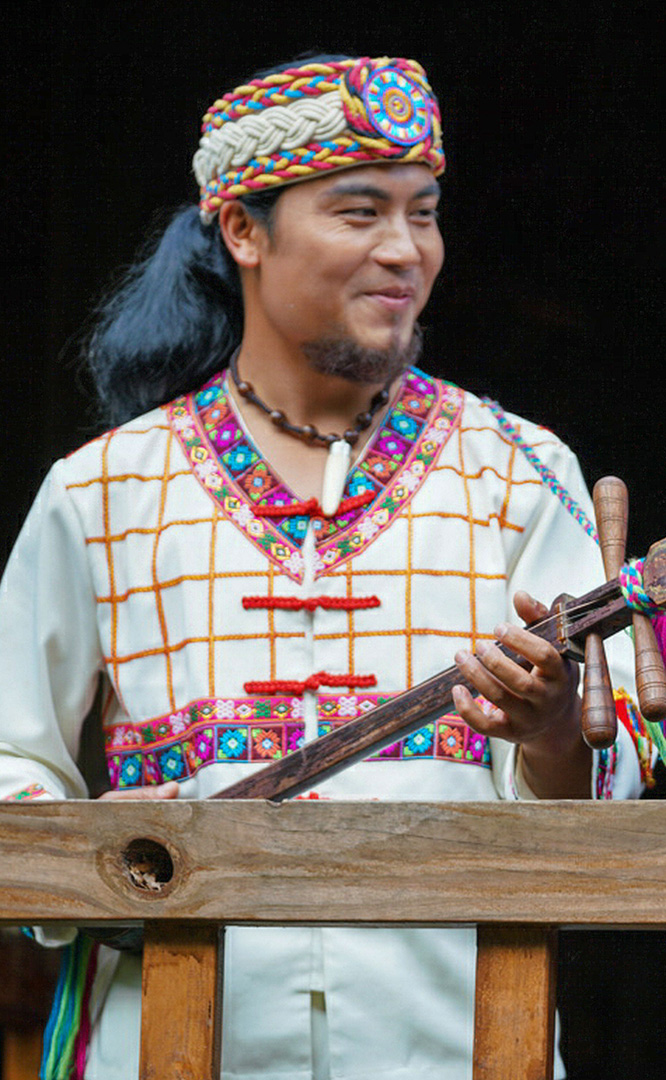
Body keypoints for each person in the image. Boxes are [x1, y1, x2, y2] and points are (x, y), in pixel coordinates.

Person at [0, 53, 653, 1080]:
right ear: (242, 230)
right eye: (360, 212)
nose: (405, 249)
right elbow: (10, 757)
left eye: (424, 213)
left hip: (457, 1049)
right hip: (162, 1045)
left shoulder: (522, 473)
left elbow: (607, 794)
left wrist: (555, 730)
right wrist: (85, 847)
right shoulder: (103, 490)